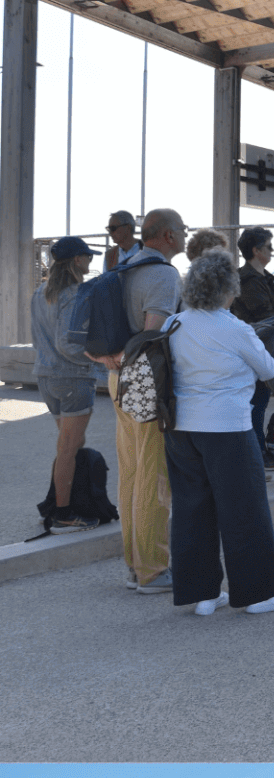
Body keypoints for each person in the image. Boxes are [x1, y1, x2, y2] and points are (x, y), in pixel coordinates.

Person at [165, 251, 274, 616]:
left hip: (180, 428)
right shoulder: (235, 328)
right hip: (227, 425)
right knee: (244, 508)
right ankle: (259, 593)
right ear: (229, 289)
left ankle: (203, 594)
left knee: (192, 509)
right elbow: (268, 368)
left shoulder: (173, 324)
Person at [88, 208, 184, 594]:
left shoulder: (121, 269)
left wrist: (108, 360)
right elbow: (152, 337)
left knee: (131, 473)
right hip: (148, 383)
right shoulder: (162, 274)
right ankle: (153, 570)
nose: (184, 234)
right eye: (181, 229)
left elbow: (85, 332)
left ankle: (135, 565)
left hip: (117, 380)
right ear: (167, 237)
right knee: (154, 476)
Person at [32, 237, 104, 531]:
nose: (90, 261)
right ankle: (62, 515)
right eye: (88, 256)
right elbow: (66, 343)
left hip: (46, 377)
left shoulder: (40, 292)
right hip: (72, 378)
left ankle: (54, 505)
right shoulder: (73, 292)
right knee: (69, 448)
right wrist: (99, 358)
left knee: (67, 445)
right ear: (76, 260)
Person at [232, 228, 274, 470]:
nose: (271, 250)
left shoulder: (262, 276)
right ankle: (256, 452)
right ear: (256, 251)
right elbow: (266, 315)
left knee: (260, 401)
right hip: (255, 349)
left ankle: (259, 448)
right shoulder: (249, 280)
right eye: (268, 246)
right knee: (256, 402)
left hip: (263, 347)